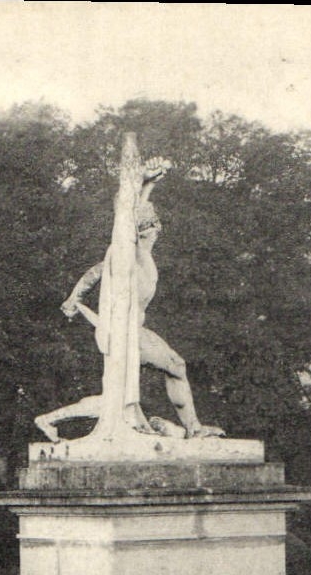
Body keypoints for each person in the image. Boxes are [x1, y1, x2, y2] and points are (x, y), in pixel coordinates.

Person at [36, 157, 223, 441]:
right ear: (145, 230)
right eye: (152, 226)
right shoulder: (131, 254)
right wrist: (74, 298)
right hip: (128, 334)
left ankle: (50, 419)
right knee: (147, 382)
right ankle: (193, 429)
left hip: (133, 332)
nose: (156, 231)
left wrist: (148, 185)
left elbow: (100, 265)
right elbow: (122, 219)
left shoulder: (140, 256)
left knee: (126, 395)